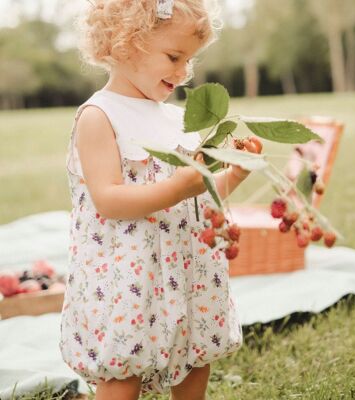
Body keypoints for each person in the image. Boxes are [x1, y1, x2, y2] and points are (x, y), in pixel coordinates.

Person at [59, 1, 263, 399]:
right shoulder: (99, 116)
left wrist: (234, 173)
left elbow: (196, 196)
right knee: (124, 369)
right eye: (174, 56)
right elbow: (108, 199)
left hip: (185, 269)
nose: (185, 71)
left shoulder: (178, 120)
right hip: (128, 277)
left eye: (190, 60)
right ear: (124, 44)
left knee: (194, 353)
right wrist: (177, 187)